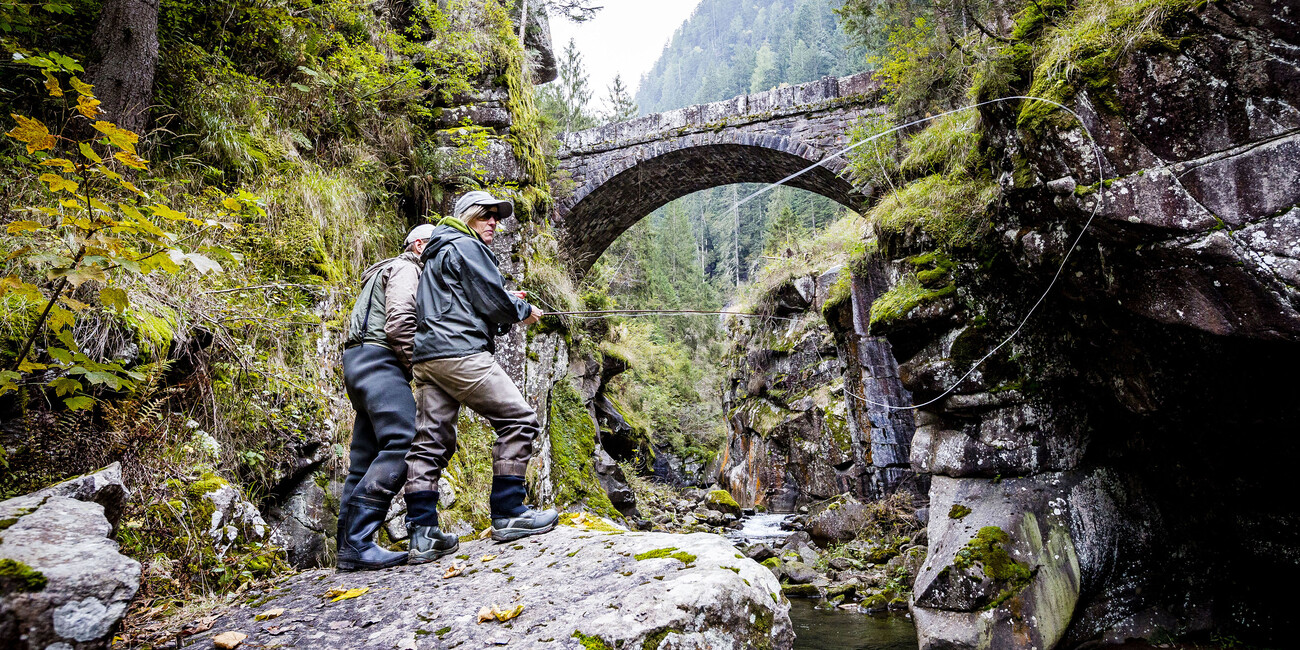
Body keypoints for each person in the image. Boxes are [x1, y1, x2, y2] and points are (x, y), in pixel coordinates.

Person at [403, 190, 557, 563]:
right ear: (468, 215)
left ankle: (422, 533)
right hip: (460, 355)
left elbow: (465, 304)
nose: (494, 222)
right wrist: (523, 309)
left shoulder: (436, 251)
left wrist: (505, 305)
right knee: (519, 419)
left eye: (497, 217)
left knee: (430, 442)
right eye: (486, 215)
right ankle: (509, 513)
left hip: (427, 360)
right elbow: (492, 303)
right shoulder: (466, 246)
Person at [336, 224, 435, 571]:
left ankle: (349, 549)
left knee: (364, 459)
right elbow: (398, 323)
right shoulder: (407, 268)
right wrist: (417, 368)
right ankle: (359, 542)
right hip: (381, 361)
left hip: (358, 361)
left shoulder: (381, 272)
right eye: (435, 244)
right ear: (419, 244)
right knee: (405, 441)